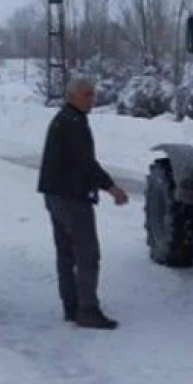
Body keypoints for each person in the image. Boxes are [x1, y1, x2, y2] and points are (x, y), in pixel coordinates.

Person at [37, 77, 130, 330]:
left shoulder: (66, 119)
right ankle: (87, 309)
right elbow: (85, 163)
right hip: (70, 197)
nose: (92, 99)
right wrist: (112, 188)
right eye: (87, 94)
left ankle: (72, 306)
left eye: (92, 94)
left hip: (56, 193)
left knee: (66, 253)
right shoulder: (72, 123)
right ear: (72, 96)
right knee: (87, 254)